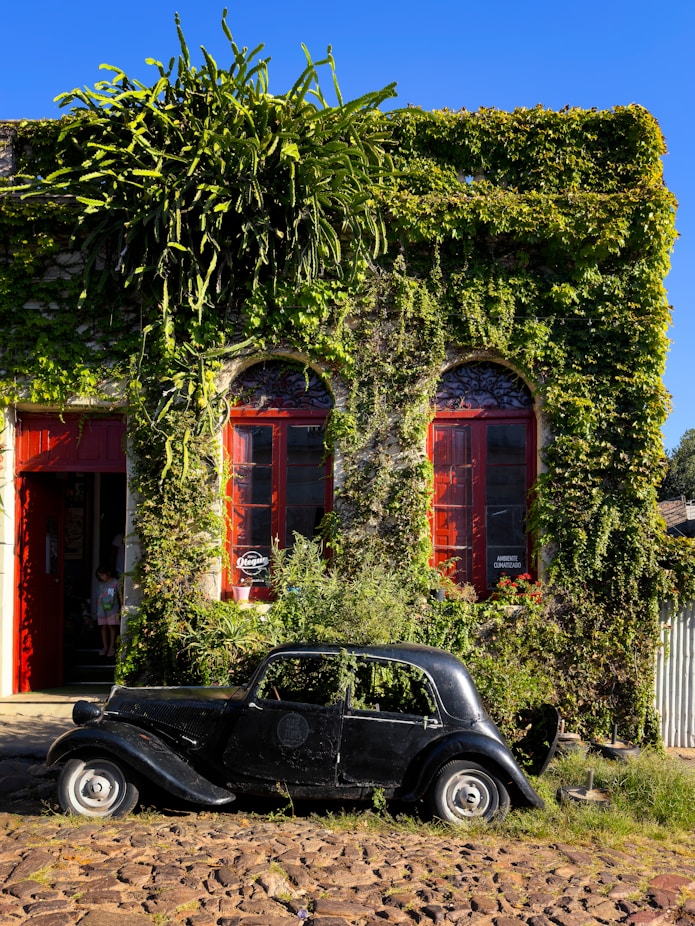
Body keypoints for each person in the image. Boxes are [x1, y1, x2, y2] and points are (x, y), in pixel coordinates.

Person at [95, 566, 120, 657]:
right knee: (103, 627)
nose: (101, 577)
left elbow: (119, 595)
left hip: (113, 608)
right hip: (101, 608)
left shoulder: (115, 582)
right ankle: (105, 646)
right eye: (100, 576)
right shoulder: (100, 584)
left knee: (112, 626)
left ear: (108, 573)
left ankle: (112, 647)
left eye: (102, 575)